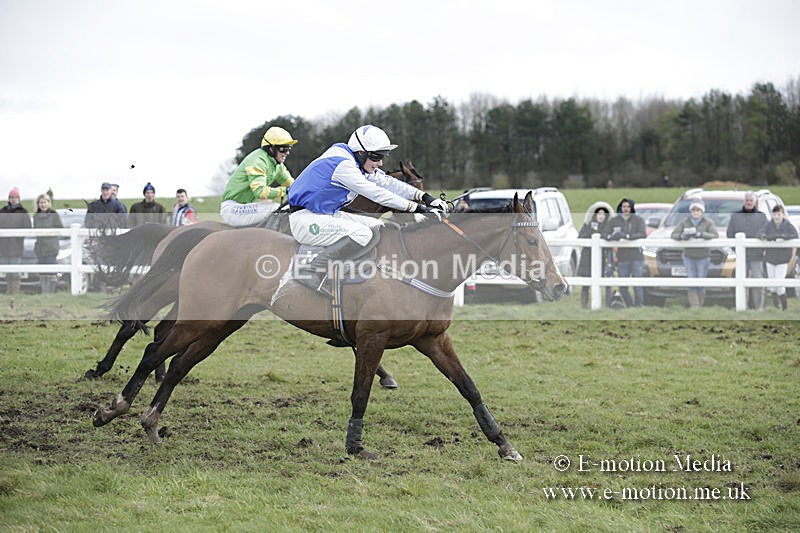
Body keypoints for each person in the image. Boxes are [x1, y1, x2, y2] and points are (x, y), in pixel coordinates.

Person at [287, 124, 446, 292]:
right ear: (361, 153)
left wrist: (425, 197)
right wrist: (418, 209)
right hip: (305, 220)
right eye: (377, 157)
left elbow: (387, 182)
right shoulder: (344, 167)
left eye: (383, 157)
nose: (380, 162)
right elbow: (377, 193)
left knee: (379, 226)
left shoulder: (352, 158)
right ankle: (313, 270)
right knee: (362, 234)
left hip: (326, 215)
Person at [221, 126, 297, 226]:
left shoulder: (278, 166)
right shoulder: (258, 161)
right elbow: (260, 192)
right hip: (232, 209)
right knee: (275, 209)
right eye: (283, 149)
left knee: (281, 208)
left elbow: (294, 185)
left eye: (288, 149)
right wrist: (285, 191)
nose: (286, 153)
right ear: (271, 148)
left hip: (246, 207)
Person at [671, 200, 718, 307]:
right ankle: (695, 306)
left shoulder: (708, 222)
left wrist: (701, 234)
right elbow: (674, 234)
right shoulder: (684, 222)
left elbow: (715, 234)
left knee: (701, 280)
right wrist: (682, 236)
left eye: (698, 210)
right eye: (693, 210)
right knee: (691, 280)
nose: (695, 212)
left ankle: (700, 304)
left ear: (702, 211)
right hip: (689, 256)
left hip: (703, 256)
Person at [726, 192, 767, 310]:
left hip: (757, 256)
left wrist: (762, 248)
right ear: (744, 201)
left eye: (751, 200)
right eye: (747, 200)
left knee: (758, 282)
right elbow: (730, 233)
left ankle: (759, 308)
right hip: (741, 257)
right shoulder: (735, 216)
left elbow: (765, 233)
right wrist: (736, 249)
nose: (749, 202)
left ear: (755, 202)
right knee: (740, 282)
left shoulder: (761, 216)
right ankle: (743, 307)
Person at [603, 198, 647, 307]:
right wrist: (611, 237)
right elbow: (604, 233)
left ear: (631, 208)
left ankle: (638, 306)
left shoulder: (638, 220)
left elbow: (642, 234)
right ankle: (630, 305)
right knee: (622, 286)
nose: (626, 209)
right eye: (623, 207)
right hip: (622, 257)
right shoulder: (614, 221)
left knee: (637, 285)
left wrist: (627, 236)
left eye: (628, 207)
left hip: (636, 257)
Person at [756, 205, 798, 311]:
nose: (776, 217)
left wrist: (783, 237)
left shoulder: (787, 224)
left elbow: (794, 235)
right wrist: (768, 237)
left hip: (783, 259)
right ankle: (776, 306)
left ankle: (784, 307)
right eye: (774, 214)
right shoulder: (769, 224)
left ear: (782, 214)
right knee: (772, 285)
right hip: (770, 258)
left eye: (778, 214)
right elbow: (760, 234)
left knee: (779, 284)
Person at [577, 202, 612, 309]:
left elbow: (609, 242)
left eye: (603, 214)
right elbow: (580, 238)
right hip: (587, 258)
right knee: (586, 284)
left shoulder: (608, 227)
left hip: (601, 259)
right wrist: (591, 231)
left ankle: (601, 304)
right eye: (599, 213)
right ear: (595, 214)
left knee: (601, 282)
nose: (601, 216)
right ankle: (584, 305)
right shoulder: (588, 225)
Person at [0, 187, 32, 294]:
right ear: (9, 198)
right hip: (3, 247)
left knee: (15, 271)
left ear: (19, 198)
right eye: (11, 197)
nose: (13, 199)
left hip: (16, 246)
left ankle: (15, 291)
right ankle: (8, 291)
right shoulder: (2, 211)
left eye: (15, 197)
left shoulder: (23, 212)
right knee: (6, 271)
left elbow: (28, 228)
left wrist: (19, 236)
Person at [33, 193, 64, 293]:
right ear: (38, 204)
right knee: (42, 271)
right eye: (41, 202)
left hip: (51, 247)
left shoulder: (54, 215)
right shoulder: (35, 216)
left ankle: (51, 291)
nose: (43, 204)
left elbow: (60, 228)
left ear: (48, 203)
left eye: (45, 202)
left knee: (51, 271)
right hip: (40, 247)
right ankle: (44, 291)